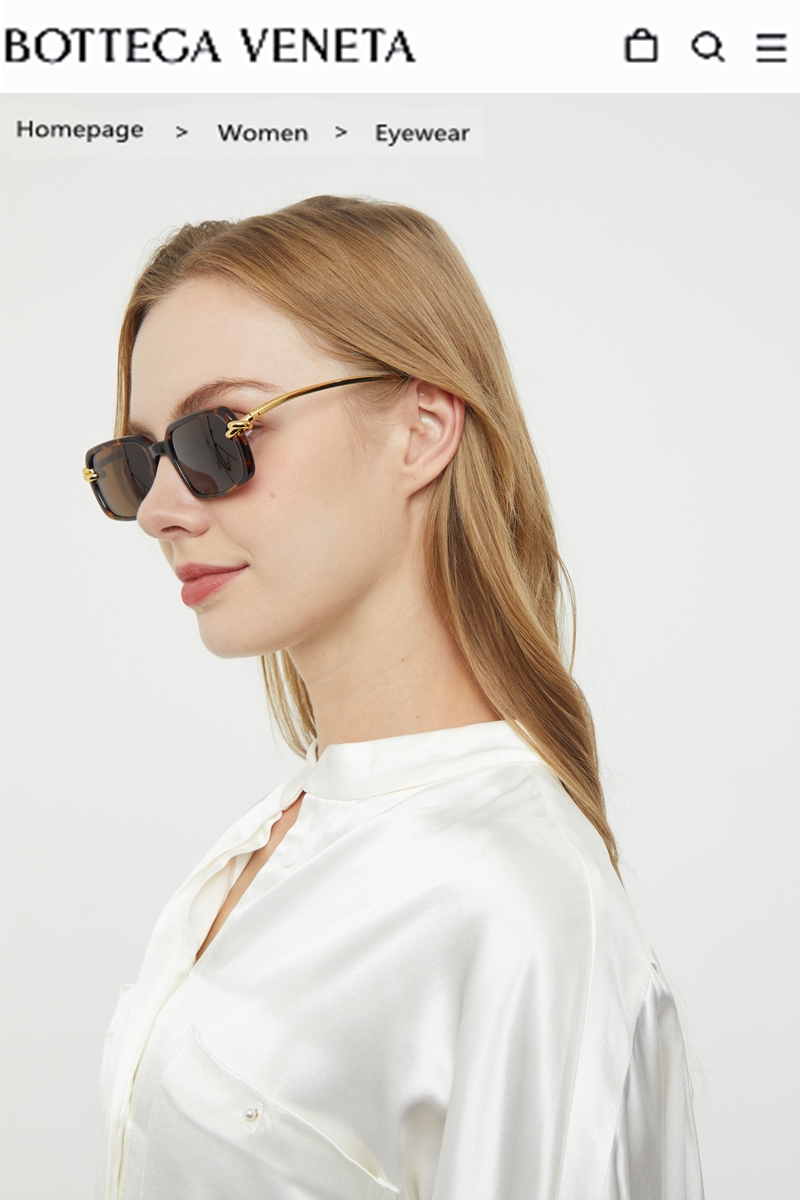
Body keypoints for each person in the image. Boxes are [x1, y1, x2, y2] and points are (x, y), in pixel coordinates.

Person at [85, 195, 704, 1200]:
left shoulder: (520, 910)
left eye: (216, 437)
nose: (159, 510)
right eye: (135, 462)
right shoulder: (269, 841)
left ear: (420, 431)